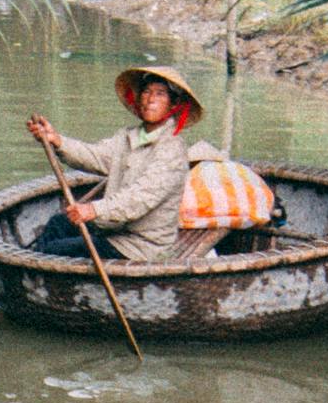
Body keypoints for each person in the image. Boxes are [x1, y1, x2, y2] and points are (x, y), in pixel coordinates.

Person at [25, 63, 225, 263]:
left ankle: (43, 280)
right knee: (58, 224)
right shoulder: (128, 137)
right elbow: (95, 156)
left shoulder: (172, 151)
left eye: (160, 94)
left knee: (54, 250)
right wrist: (56, 140)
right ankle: (44, 278)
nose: (150, 99)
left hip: (139, 244)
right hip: (114, 229)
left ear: (173, 105)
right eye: (146, 92)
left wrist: (93, 210)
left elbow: (139, 198)